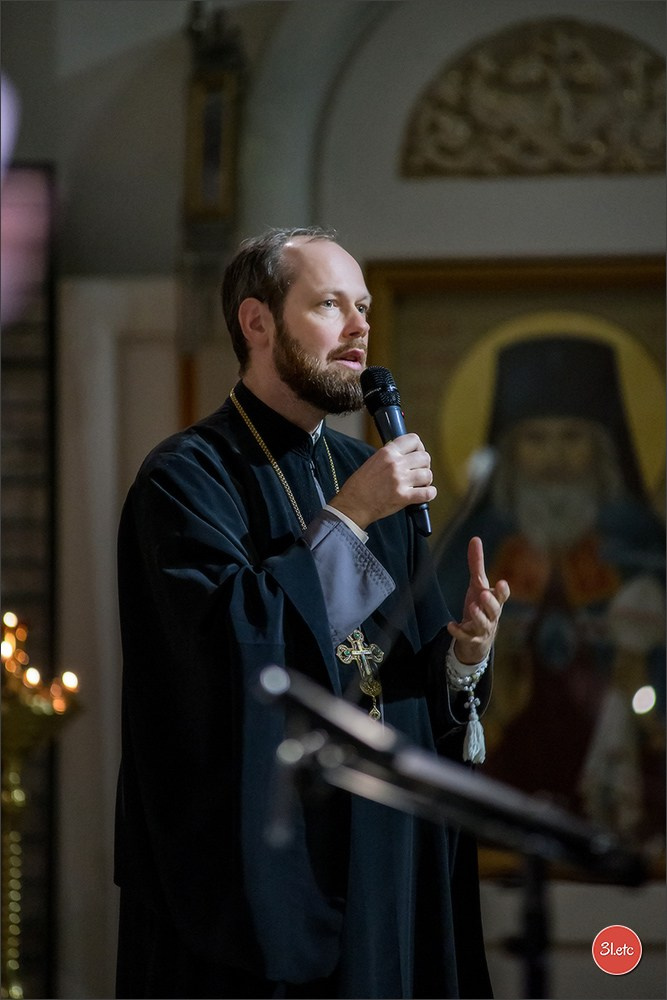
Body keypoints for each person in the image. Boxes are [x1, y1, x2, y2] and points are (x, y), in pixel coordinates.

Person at [114, 226, 510, 999]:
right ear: (257, 323)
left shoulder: (367, 473)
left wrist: (461, 658)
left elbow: (392, 672)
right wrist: (350, 519)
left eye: (362, 306)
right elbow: (230, 655)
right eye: (329, 304)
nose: (360, 325)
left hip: (384, 859)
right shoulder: (185, 480)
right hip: (266, 873)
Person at [436, 336, 665, 845]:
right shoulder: (475, 542)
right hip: (505, 759)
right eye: (536, 439)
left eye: (572, 437)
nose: (555, 457)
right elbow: (437, 647)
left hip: (623, 760)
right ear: (512, 451)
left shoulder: (641, 540)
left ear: (601, 447)